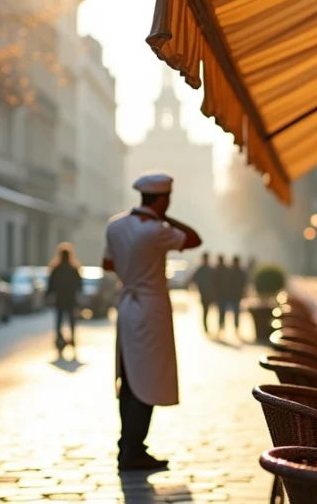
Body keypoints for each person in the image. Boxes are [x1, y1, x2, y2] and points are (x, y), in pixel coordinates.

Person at [104, 171, 201, 471]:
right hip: (151, 308)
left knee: (129, 378)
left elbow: (107, 263)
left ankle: (128, 445)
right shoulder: (157, 230)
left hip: (127, 306)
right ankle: (134, 448)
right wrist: (165, 218)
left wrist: (131, 269)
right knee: (147, 379)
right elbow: (194, 239)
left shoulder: (116, 225)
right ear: (163, 200)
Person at [47, 243, 82, 354]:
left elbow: (51, 284)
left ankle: (59, 338)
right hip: (70, 298)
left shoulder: (56, 269)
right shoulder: (73, 269)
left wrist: (49, 294)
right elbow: (79, 285)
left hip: (60, 298)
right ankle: (72, 338)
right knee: (71, 319)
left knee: (59, 320)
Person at [190, 252, 215, 334]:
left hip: (208, 293)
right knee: (206, 310)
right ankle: (205, 327)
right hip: (205, 293)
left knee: (206, 311)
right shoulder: (205, 269)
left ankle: (206, 326)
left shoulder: (206, 269)